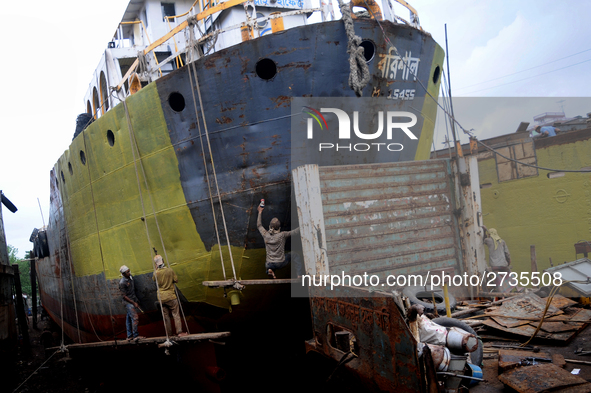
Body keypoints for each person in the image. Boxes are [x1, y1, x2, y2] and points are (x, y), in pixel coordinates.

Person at [257, 205, 302, 278]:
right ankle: (299, 274)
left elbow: (259, 225)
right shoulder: (283, 235)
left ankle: (269, 270)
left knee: (270, 264)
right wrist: (304, 223)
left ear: (270, 226)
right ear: (279, 228)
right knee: (295, 255)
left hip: (269, 263)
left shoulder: (265, 234)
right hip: (280, 263)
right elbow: (296, 232)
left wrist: (260, 212)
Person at [152, 255, 187, 337]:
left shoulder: (155, 273)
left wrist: (156, 269)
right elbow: (176, 280)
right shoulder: (170, 270)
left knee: (166, 317)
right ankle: (179, 332)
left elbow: (154, 279)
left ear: (156, 264)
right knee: (176, 314)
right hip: (170, 296)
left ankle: (169, 334)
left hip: (161, 297)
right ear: (163, 261)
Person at [481, 226, 516, 293]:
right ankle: (515, 287)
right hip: (503, 264)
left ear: (489, 234)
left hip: (494, 265)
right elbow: (507, 253)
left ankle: (501, 291)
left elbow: (484, 239)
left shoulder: (488, 240)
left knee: (498, 277)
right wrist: (508, 262)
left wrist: (484, 231)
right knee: (508, 274)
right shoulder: (502, 241)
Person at [119, 265, 145, 341]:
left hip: (132, 300)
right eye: (127, 272)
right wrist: (133, 303)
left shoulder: (130, 278)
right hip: (128, 302)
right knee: (135, 318)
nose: (129, 273)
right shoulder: (122, 283)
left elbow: (132, 291)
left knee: (128, 318)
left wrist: (136, 300)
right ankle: (135, 336)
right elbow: (124, 296)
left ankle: (129, 336)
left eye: (129, 271)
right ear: (123, 274)